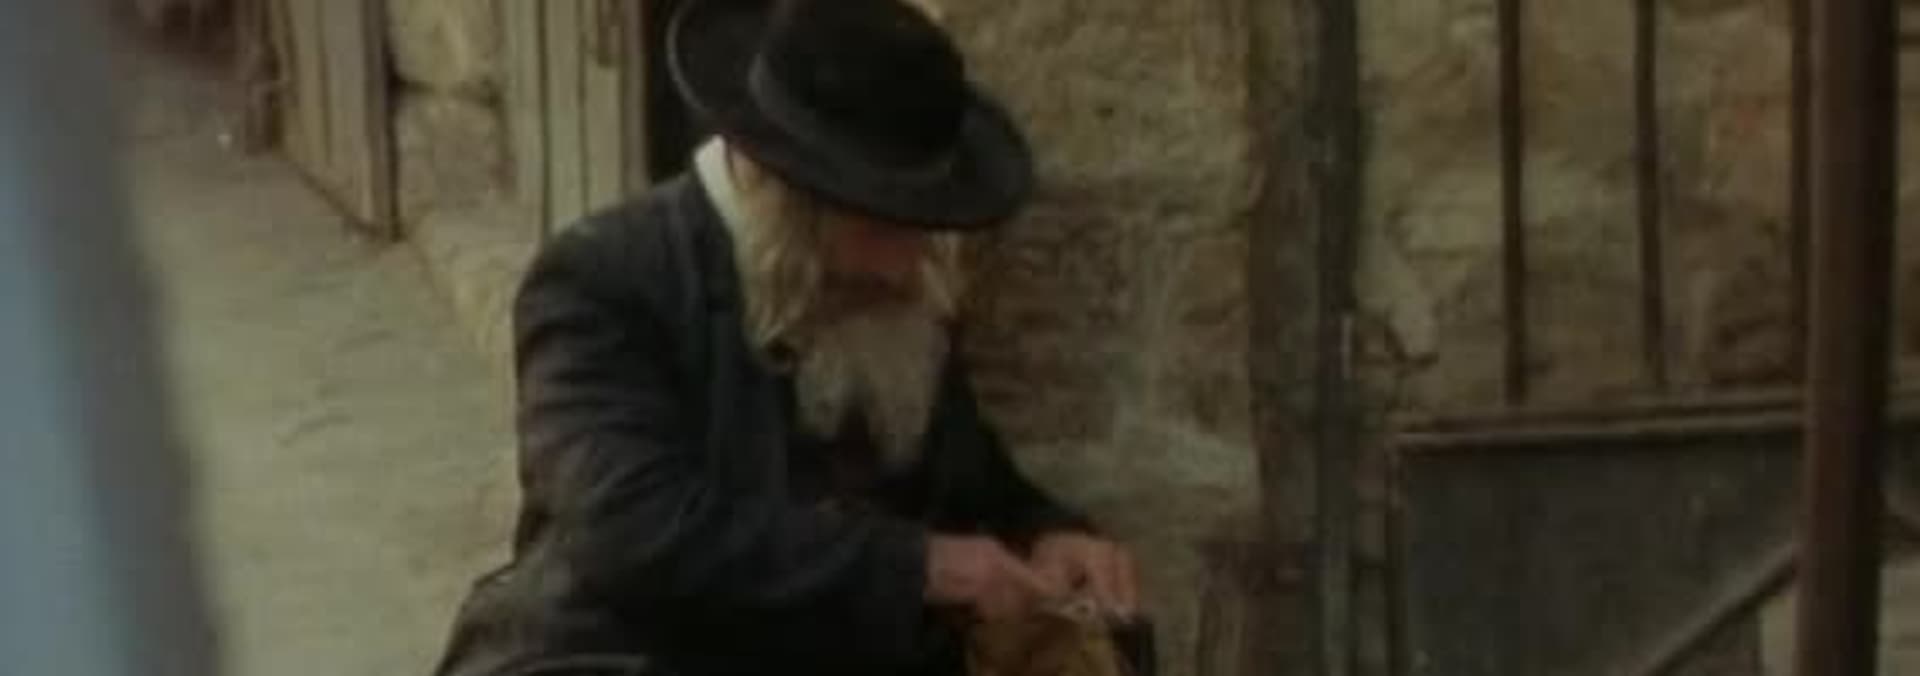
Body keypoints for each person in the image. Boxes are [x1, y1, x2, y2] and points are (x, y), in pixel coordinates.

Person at [430, 0, 1141, 674]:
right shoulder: (602, 279)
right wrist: (919, 566)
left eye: (922, 225)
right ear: (783, 195)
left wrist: (1046, 532)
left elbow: (969, 477)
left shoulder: (889, 288)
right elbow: (630, 528)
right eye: (882, 223)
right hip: (634, 650)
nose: (905, 264)